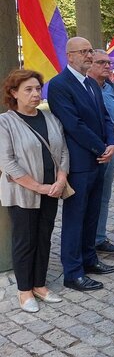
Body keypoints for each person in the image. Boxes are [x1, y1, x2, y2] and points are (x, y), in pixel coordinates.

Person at [48, 37, 114, 291]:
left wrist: (111, 143)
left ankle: (90, 260)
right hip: (79, 163)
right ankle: (73, 272)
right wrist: (101, 148)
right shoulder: (59, 85)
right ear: (69, 56)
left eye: (91, 51)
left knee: (92, 215)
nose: (89, 55)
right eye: (84, 52)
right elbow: (73, 124)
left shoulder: (92, 83)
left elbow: (105, 117)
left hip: (99, 159)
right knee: (75, 218)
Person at [0, 70, 69, 312]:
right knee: (24, 241)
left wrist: (61, 179)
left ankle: (40, 284)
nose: (35, 93)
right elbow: (7, 162)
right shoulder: (5, 122)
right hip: (23, 192)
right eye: (28, 89)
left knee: (44, 237)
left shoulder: (50, 118)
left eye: (37, 88)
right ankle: (24, 291)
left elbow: (62, 151)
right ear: (13, 93)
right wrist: (39, 187)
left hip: (52, 189)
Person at [86, 50, 114, 254]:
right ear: (90, 64)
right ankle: (86, 240)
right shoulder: (82, 88)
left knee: (104, 196)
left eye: (109, 62)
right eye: (101, 62)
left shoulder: (110, 88)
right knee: (86, 197)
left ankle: (99, 237)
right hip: (88, 150)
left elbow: (112, 119)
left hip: (110, 147)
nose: (107, 66)